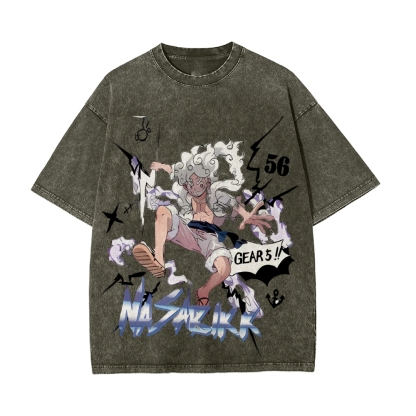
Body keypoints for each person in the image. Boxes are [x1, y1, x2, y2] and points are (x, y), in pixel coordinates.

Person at [132, 142, 275, 307]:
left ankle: (204, 291)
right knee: (163, 211)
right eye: (190, 184)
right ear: (185, 185)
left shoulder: (215, 195)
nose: (194, 188)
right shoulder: (186, 194)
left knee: (225, 268)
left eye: (199, 182)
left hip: (209, 239)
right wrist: (162, 166)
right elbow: (177, 171)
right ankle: (159, 259)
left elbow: (233, 203)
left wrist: (246, 215)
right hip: (186, 231)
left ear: (207, 181)